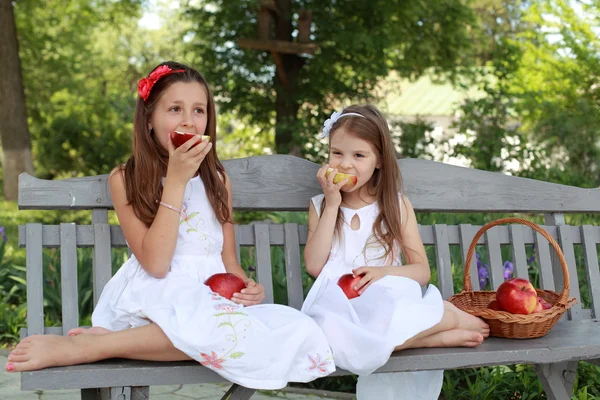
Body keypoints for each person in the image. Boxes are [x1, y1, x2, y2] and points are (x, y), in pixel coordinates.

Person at [5, 61, 335, 389]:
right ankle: (89, 347)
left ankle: (106, 344)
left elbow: (229, 260)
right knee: (206, 330)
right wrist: (175, 182)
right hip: (156, 293)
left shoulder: (218, 180)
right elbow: (157, 264)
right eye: (175, 109)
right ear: (149, 119)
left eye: (199, 111)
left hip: (211, 301)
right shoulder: (126, 179)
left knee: (295, 328)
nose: (189, 121)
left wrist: (245, 287)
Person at [301, 105, 490, 399]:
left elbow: (421, 271)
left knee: (381, 315)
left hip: (384, 298)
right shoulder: (321, 205)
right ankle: (430, 337)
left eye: (359, 155)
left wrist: (382, 272)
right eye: (337, 153)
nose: (345, 164)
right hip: (340, 306)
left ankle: (430, 326)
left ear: (379, 161)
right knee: (325, 338)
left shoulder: (395, 205)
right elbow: (315, 266)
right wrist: (332, 203)